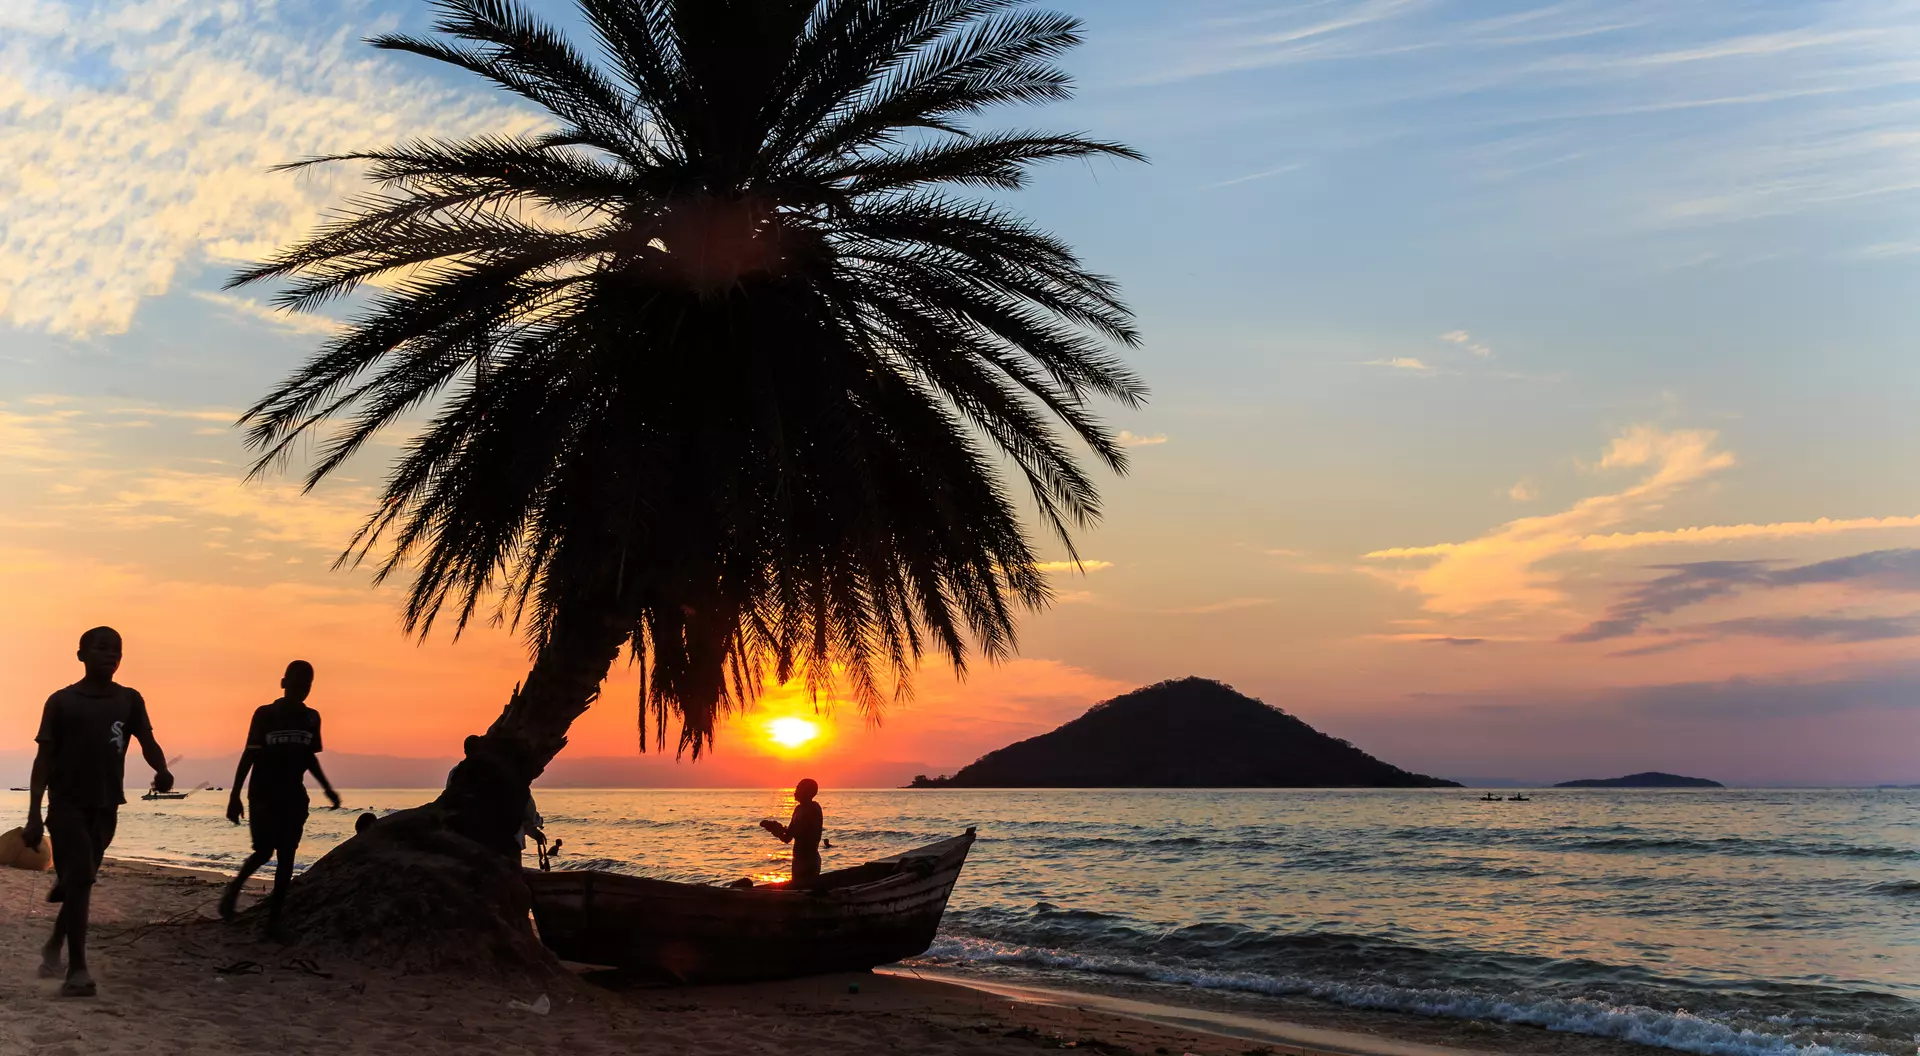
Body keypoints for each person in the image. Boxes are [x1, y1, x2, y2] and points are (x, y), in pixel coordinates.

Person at [23, 626, 174, 997]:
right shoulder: (61, 702)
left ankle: (52, 949)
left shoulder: (130, 700)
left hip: (107, 805)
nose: (111, 655)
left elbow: (147, 741)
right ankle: (77, 969)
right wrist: (32, 814)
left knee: (80, 882)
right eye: (102, 648)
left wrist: (162, 768)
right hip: (66, 805)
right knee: (82, 881)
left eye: (117, 650)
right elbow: (43, 758)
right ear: (81, 655)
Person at [218, 660, 340, 930]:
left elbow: (309, 757)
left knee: (287, 856)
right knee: (263, 851)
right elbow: (249, 754)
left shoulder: (311, 718)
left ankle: (274, 918)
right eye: (296, 683)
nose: (301, 689)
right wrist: (234, 795)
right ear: (283, 683)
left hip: (294, 795)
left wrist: (327, 787)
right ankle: (232, 893)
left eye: (306, 684)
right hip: (263, 793)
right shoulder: (265, 714)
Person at [759, 778, 826, 887]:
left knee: (805, 890)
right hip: (798, 860)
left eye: (799, 787)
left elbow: (800, 832)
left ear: (808, 791)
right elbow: (787, 838)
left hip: (809, 860)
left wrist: (778, 828)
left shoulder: (813, 808)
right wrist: (775, 830)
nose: (796, 790)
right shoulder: (798, 809)